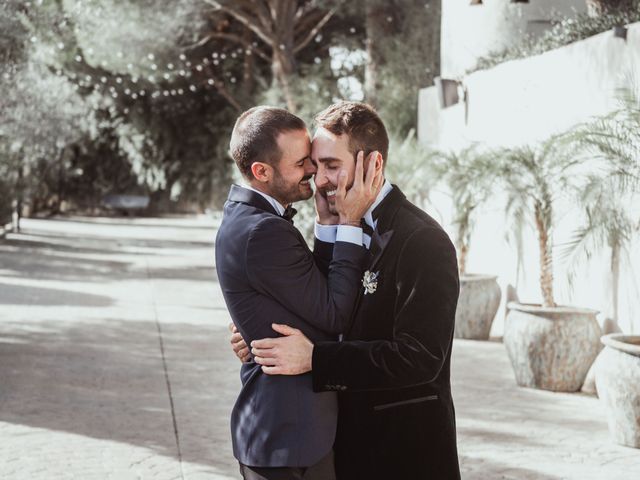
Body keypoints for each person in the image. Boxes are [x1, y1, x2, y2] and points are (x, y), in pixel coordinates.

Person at [246, 101, 461, 479]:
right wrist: (254, 330)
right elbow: (327, 308)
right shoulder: (342, 224)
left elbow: (421, 357)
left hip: (402, 454)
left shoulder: (422, 240)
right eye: (315, 165)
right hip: (343, 449)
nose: (319, 178)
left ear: (374, 165)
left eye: (332, 165)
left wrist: (317, 360)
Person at [215, 106, 383, 480]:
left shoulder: (251, 219)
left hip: (292, 435)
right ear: (262, 172)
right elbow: (334, 313)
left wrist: (325, 226)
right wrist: (350, 222)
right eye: (302, 162)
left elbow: (310, 294)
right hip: (287, 437)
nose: (313, 171)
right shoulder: (263, 231)